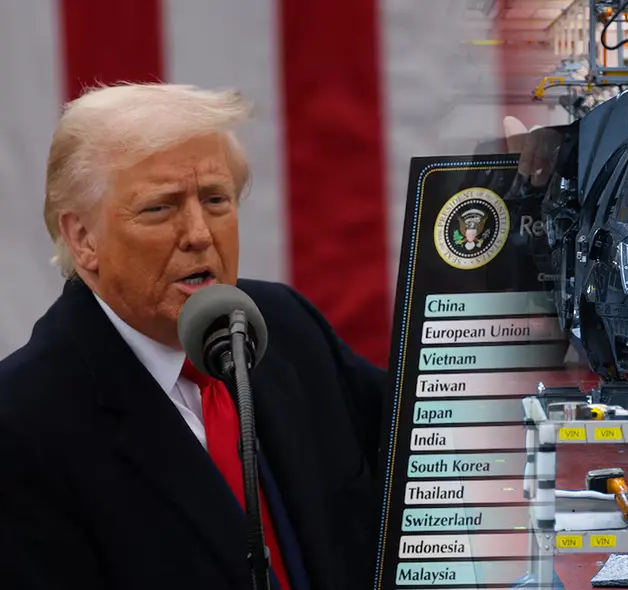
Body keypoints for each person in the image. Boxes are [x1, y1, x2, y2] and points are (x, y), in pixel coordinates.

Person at [0, 83, 388, 589]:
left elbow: (435, 438)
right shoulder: (22, 424)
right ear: (83, 238)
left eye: (215, 199)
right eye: (160, 208)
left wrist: (518, 235)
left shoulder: (285, 326)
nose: (200, 233)